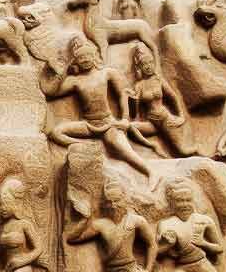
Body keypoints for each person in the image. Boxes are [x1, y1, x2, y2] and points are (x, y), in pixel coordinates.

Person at [42, 37, 151, 176]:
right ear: (76, 62)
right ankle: (87, 148)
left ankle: (148, 171)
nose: (85, 60)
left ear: (94, 56)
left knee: (124, 150)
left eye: (88, 56)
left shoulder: (106, 73)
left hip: (108, 123)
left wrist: (124, 119)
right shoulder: (75, 81)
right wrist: (62, 71)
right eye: (81, 58)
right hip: (88, 125)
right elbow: (50, 92)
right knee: (56, 133)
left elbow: (123, 94)